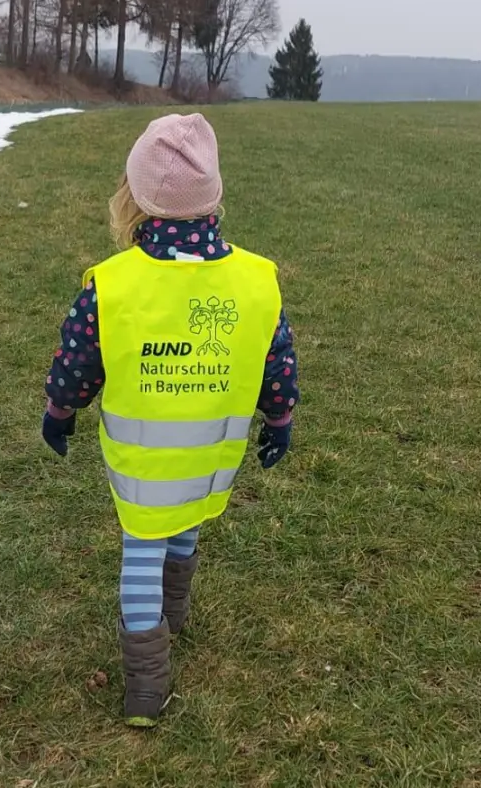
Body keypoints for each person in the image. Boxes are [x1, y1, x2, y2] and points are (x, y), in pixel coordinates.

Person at [39, 112, 299, 728]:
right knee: (185, 522)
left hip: (143, 460)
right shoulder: (256, 281)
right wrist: (280, 416)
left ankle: (146, 686)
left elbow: (78, 361)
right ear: (213, 196)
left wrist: (59, 410)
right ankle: (174, 616)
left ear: (135, 197)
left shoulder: (113, 284)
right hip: (212, 456)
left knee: (141, 549)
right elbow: (276, 357)